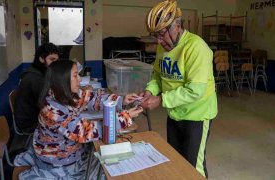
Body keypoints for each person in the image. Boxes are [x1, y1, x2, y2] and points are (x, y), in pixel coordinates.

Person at [14, 60, 143, 179]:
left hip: (65, 152)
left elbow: (91, 98)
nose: (80, 79)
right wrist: (125, 117)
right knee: (103, 171)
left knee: (101, 161)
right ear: (62, 80)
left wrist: (121, 100)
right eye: (75, 75)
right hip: (57, 161)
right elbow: (86, 132)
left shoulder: (64, 94)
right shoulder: (53, 110)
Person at [140, 0, 217, 178]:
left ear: (177, 25)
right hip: (175, 113)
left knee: (193, 167)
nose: (158, 41)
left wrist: (160, 100)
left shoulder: (196, 47)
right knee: (175, 160)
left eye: (161, 34)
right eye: (155, 36)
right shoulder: (162, 47)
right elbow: (158, 75)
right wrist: (150, 90)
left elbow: (195, 90)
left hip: (197, 115)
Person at [14, 43, 60, 133]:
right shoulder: (35, 78)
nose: (55, 64)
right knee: (66, 122)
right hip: (30, 124)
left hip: (33, 117)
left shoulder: (37, 72)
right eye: (52, 60)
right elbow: (50, 103)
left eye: (56, 60)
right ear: (41, 59)